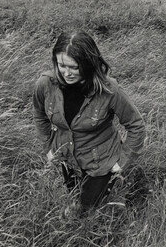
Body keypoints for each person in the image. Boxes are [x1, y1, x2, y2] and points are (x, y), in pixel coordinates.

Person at [33, 31, 146, 214]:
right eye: (61, 65)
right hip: (66, 157)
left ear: (88, 64)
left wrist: (121, 162)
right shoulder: (45, 84)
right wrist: (48, 148)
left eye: (74, 67)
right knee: (74, 195)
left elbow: (136, 125)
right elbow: (39, 115)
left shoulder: (109, 90)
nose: (67, 73)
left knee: (85, 211)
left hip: (101, 162)